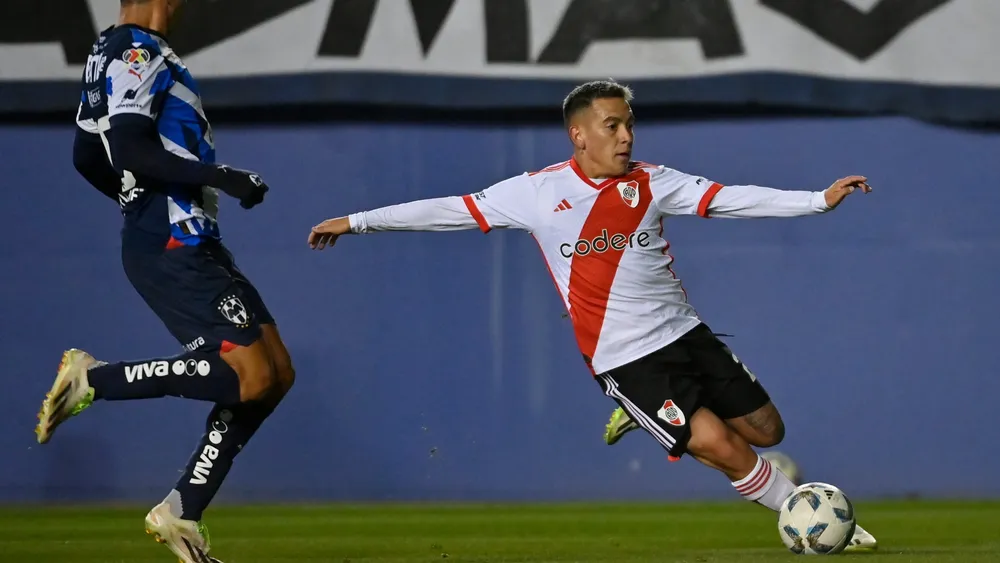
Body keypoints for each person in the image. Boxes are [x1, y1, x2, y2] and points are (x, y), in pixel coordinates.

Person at [308, 79, 877, 551]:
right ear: (578, 134)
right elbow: (450, 210)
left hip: (685, 332)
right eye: (612, 125)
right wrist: (357, 220)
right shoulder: (536, 193)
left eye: (629, 124)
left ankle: (646, 418)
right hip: (624, 356)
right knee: (720, 446)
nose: (625, 136)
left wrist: (816, 199)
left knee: (767, 430)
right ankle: (815, 524)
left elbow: (730, 198)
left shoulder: (652, 183)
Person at [35, 1, 293, 561]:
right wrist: (221, 177)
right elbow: (127, 147)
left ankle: (180, 511)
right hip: (172, 240)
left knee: (275, 371)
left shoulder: (106, 52)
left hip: (187, 236)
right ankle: (96, 380)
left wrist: (134, 196)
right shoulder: (137, 49)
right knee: (247, 376)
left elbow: (88, 153)